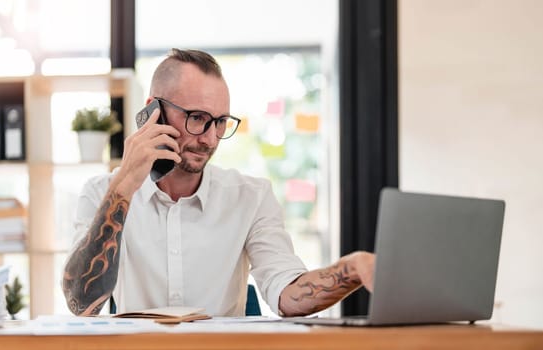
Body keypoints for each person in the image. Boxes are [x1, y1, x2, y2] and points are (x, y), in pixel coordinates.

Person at [62, 48, 375, 317]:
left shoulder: (251, 197)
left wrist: (354, 267)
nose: (210, 139)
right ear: (153, 111)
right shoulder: (101, 193)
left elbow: (287, 294)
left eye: (221, 121)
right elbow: (81, 304)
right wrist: (125, 183)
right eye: (197, 118)